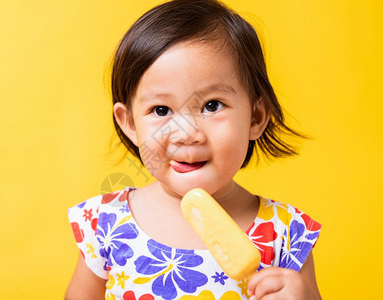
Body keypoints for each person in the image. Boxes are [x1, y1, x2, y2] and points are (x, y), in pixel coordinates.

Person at [66, 0, 322, 299]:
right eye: (161, 110)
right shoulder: (105, 223)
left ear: (255, 117)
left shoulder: (286, 233)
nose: (186, 134)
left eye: (212, 106)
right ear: (130, 124)